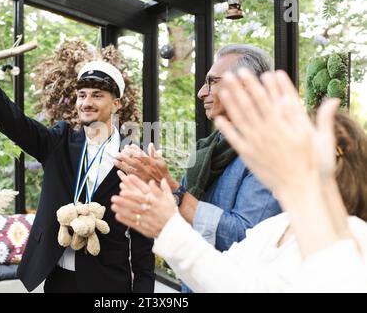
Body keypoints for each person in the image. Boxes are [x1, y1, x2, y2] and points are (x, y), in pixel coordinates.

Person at [111, 69, 367, 292]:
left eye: (286, 148)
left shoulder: (356, 236)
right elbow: (229, 280)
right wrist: (167, 214)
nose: (272, 158)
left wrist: (170, 221)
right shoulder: (276, 226)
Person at [0, 51, 155, 292]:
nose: (86, 102)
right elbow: (14, 123)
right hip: (59, 279)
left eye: (97, 95)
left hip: (109, 282)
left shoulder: (132, 158)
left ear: (116, 103)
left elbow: (142, 238)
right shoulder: (59, 141)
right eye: (81, 95)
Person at [115, 45, 281, 292]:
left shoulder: (270, 149)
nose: (202, 93)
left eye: (212, 81)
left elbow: (245, 238)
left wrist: (172, 190)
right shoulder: (208, 149)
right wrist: (151, 182)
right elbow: (176, 214)